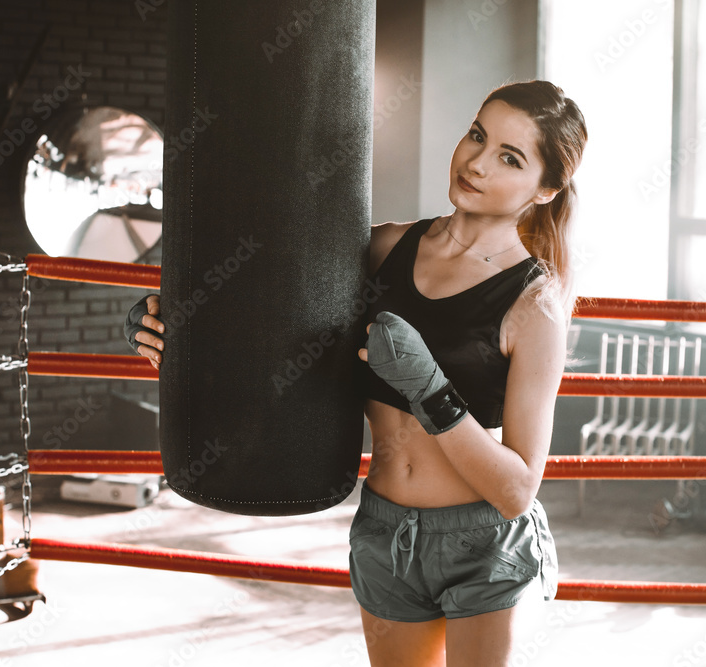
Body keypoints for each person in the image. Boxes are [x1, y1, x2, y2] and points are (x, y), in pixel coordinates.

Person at [125, 79, 587, 666]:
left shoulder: (535, 303)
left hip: (485, 543)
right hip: (383, 530)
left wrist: (430, 389)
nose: (476, 161)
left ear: (546, 189)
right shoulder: (382, 248)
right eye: (477, 135)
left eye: (509, 157)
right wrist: (178, 330)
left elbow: (518, 489)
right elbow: (268, 302)